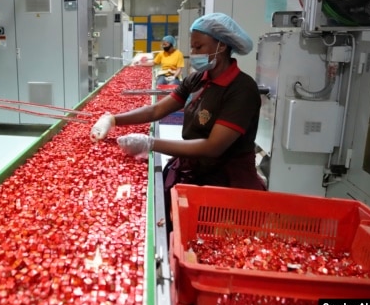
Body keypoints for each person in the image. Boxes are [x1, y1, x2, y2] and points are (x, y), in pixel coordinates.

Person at [90, 13, 266, 232]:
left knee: (213, 239)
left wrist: (150, 144)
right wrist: (114, 119)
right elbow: (157, 109)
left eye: (199, 47)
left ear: (221, 46)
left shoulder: (242, 89)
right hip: (193, 171)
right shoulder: (197, 80)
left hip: (226, 183)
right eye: (192, 47)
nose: (193, 54)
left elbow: (213, 147)